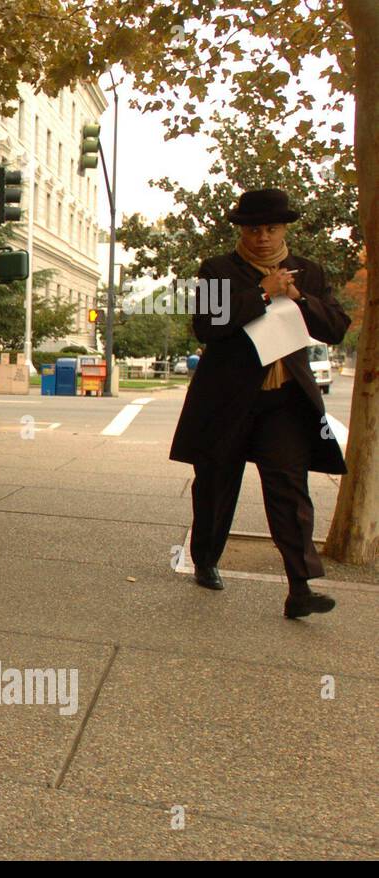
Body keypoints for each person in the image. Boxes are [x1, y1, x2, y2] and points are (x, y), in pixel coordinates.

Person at [170, 188, 350, 619]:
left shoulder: (307, 272)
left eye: (271, 228)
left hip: (284, 402)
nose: (263, 237)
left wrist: (300, 298)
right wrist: (264, 293)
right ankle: (207, 558)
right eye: (254, 229)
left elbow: (337, 328)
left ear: (284, 229)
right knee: (215, 484)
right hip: (227, 400)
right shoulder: (217, 270)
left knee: (289, 489)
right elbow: (206, 327)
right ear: (242, 231)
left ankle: (300, 587)